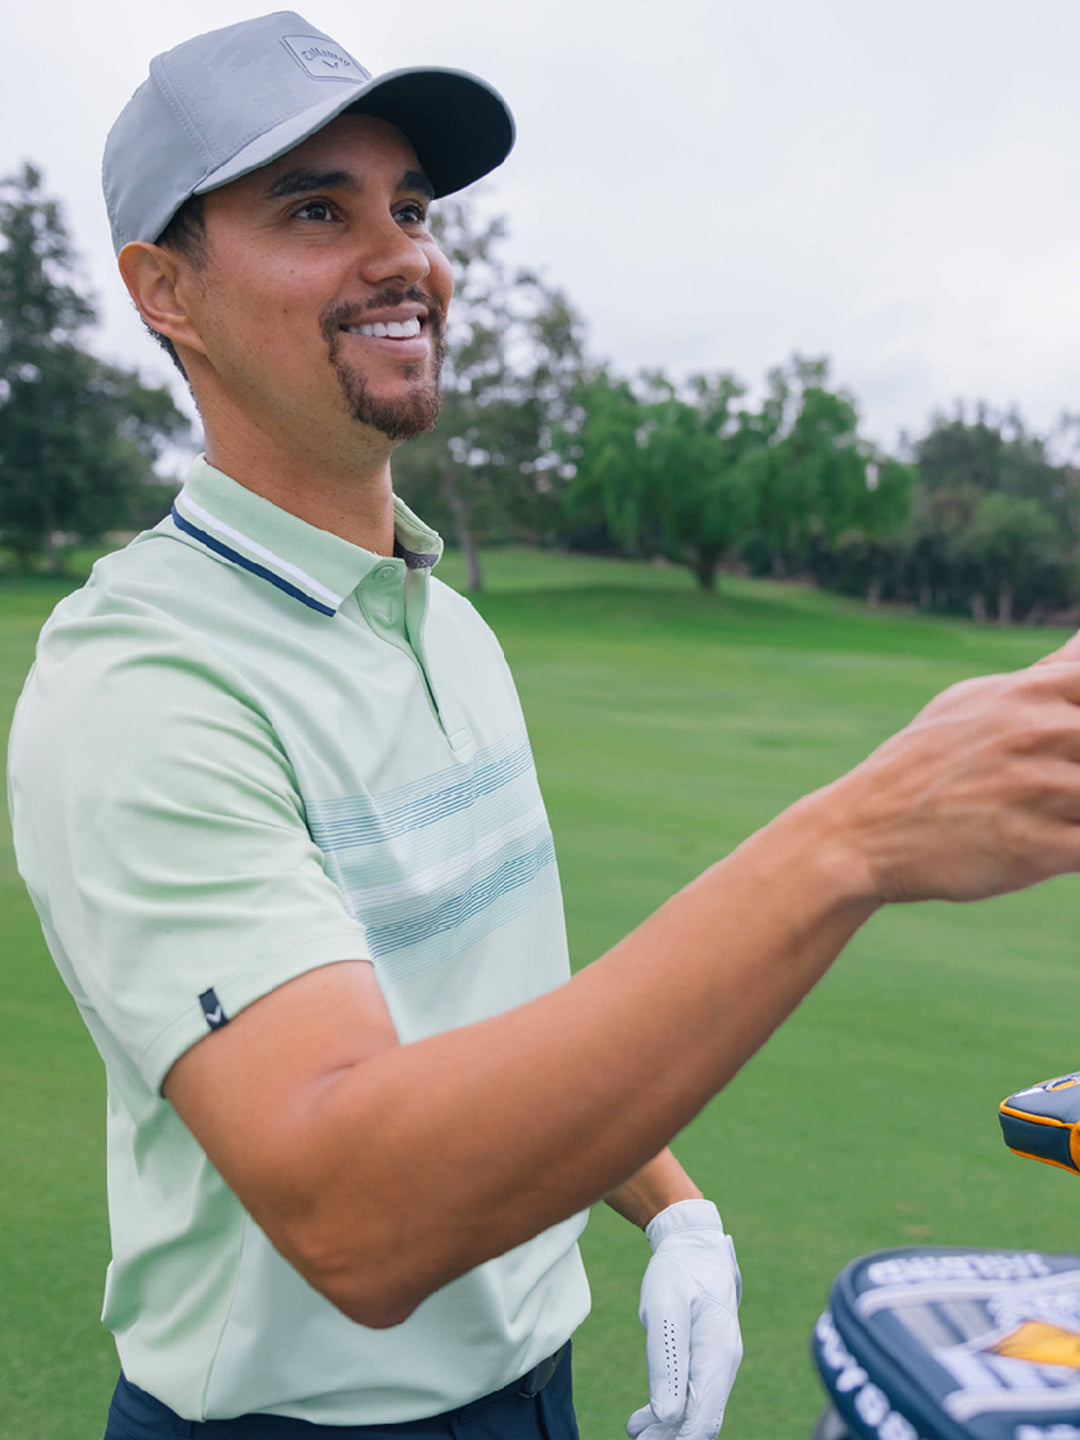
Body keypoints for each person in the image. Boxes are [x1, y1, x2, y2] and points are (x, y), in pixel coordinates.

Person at [9, 10, 1080, 1440]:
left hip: (535, 1387)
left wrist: (676, 1210)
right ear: (167, 290)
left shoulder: (442, 618)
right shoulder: (140, 680)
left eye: (411, 207)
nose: (403, 256)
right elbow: (356, 1215)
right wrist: (855, 839)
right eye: (316, 209)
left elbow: (494, 1009)